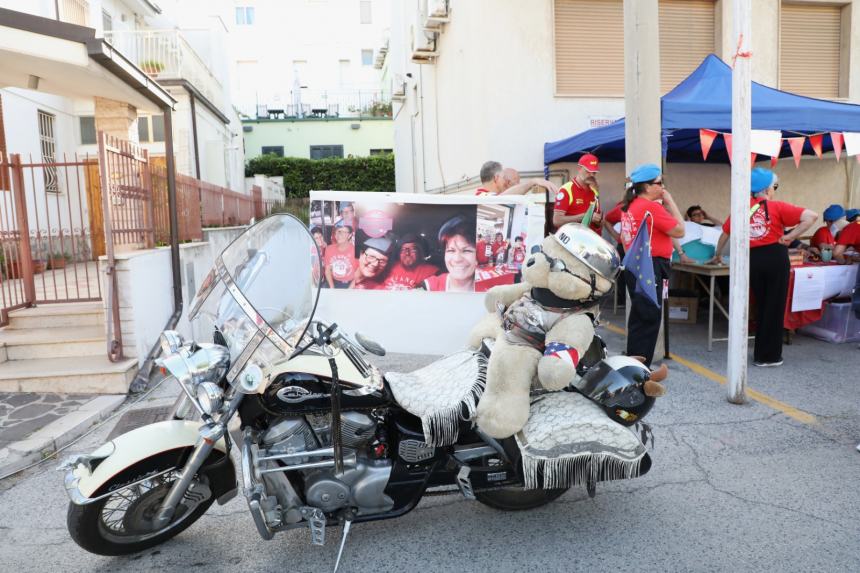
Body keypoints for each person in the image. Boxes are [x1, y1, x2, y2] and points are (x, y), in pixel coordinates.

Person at [709, 168, 818, 367]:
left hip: (752, 259)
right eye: (774, 186)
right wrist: (790, 237)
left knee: (761, 305)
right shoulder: (777, 207)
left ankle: (761, 352)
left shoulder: (741, 208)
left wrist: (717, 255)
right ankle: (769, 356)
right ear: (767, 189)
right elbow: (811, 216)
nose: (774, 190)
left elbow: (724, 234)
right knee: (775, 307)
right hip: (775, 257)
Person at [619, 164, 685, 367]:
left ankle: (634, 364)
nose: (663, 187)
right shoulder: (651, 207)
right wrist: (670, 201)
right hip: (650, 266)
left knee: (640, 317)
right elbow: (680, 230)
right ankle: (640, 370)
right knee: (649, 318)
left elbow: (624, 237)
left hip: (636, 265)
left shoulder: (630, 205)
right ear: (647, 187)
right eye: (659, 183)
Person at [421, 215, 478, 292]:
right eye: (451, 251)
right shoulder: (429, 287)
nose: (457, 259)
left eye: (466, 251)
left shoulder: (489, 289)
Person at [552, 153, 602, 233]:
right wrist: (586, 216)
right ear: (579, 168)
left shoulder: (594, 190)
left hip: (588, 240)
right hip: (571, 241)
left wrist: (598, 221)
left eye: (594, 172)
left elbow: (597, 219)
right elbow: (557, 221)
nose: (592, 175)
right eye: (588, 171)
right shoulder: (566, 189)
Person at [475, 161, 558, 196]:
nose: (505, 181)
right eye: (503, 177)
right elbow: (502, 198)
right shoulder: (482, 196)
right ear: (496, 178)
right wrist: (533, 182)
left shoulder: (482, 195)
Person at [324, 223, 357, 289]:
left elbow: (358, 274)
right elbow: (328, 270)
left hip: (349, 284)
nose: (339, 235)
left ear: (350, 235)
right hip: (333, 282)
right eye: (337, 232)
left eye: (343, 232)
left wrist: (349, 290)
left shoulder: (356, 251)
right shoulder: (329, 249)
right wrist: (332, 287)